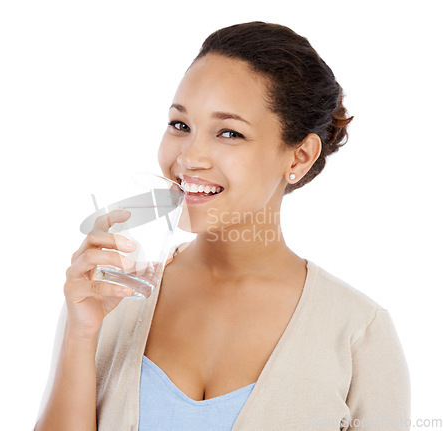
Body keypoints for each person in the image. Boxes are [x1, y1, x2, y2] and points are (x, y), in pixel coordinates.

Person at [34, 21, 410, 431]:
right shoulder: (114, 295)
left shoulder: (359, 334)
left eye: (229, 133)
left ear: (299, 157)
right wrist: (81, 333)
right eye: (181, 125)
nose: (190, 157)